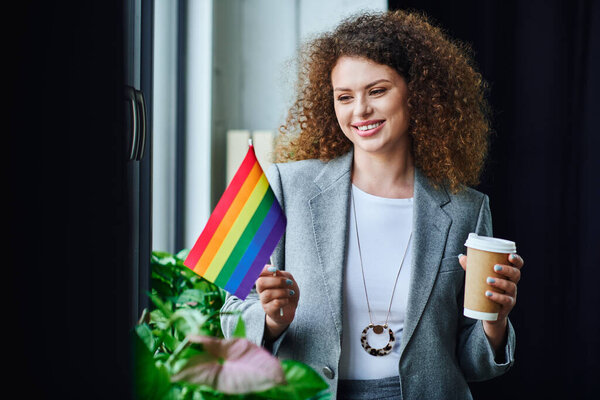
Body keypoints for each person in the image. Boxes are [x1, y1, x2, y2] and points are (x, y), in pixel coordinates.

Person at [221, 10, 524, 399]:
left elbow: (471, 362)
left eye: (377, 91)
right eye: (344, 97)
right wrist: (269, 320)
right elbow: (227, 312)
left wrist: (495, 323)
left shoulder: (468, 208)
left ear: (416, 93)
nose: (359, 110)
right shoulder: (276, 182)